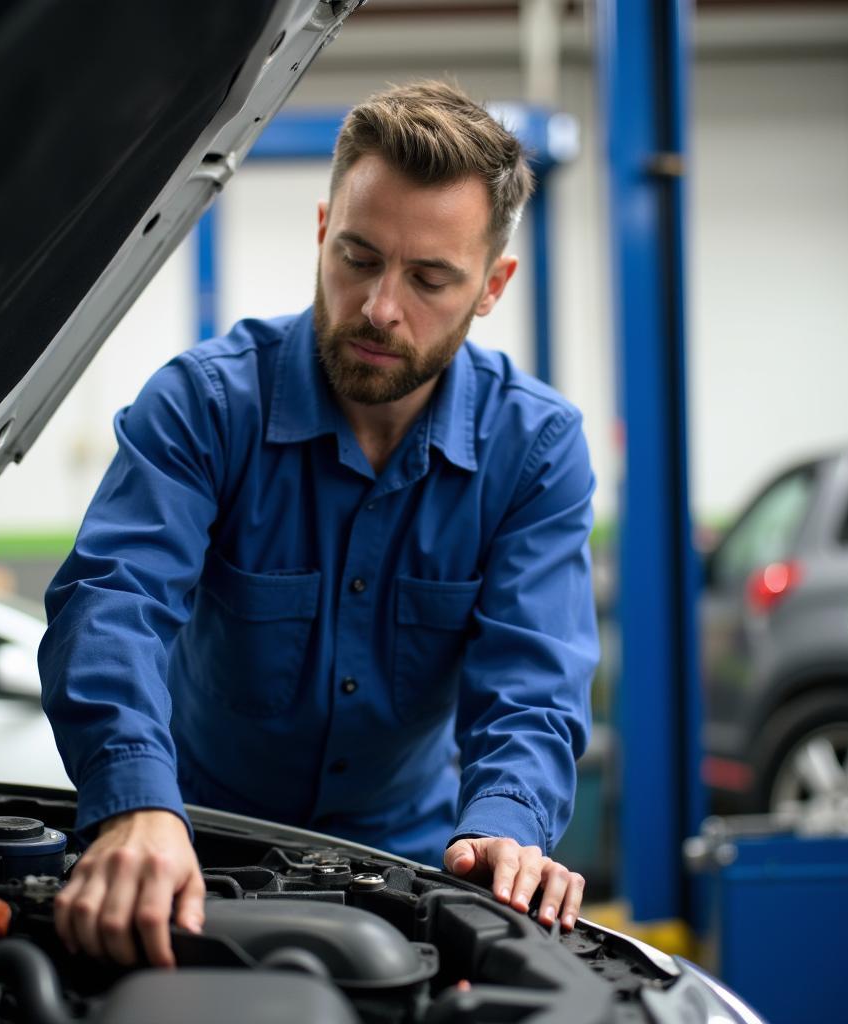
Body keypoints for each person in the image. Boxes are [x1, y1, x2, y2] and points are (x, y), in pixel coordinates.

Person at [38, 80, 599, 969]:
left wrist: (506, 826)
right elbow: (113, 601)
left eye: (429, 278)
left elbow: (531, 685)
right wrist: (135, 799)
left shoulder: (534, 452)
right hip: (189, 848)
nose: (381, 306)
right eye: (358, 256)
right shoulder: (204, 405)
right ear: (320, 232)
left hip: (409, 866)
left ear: (492, 286)